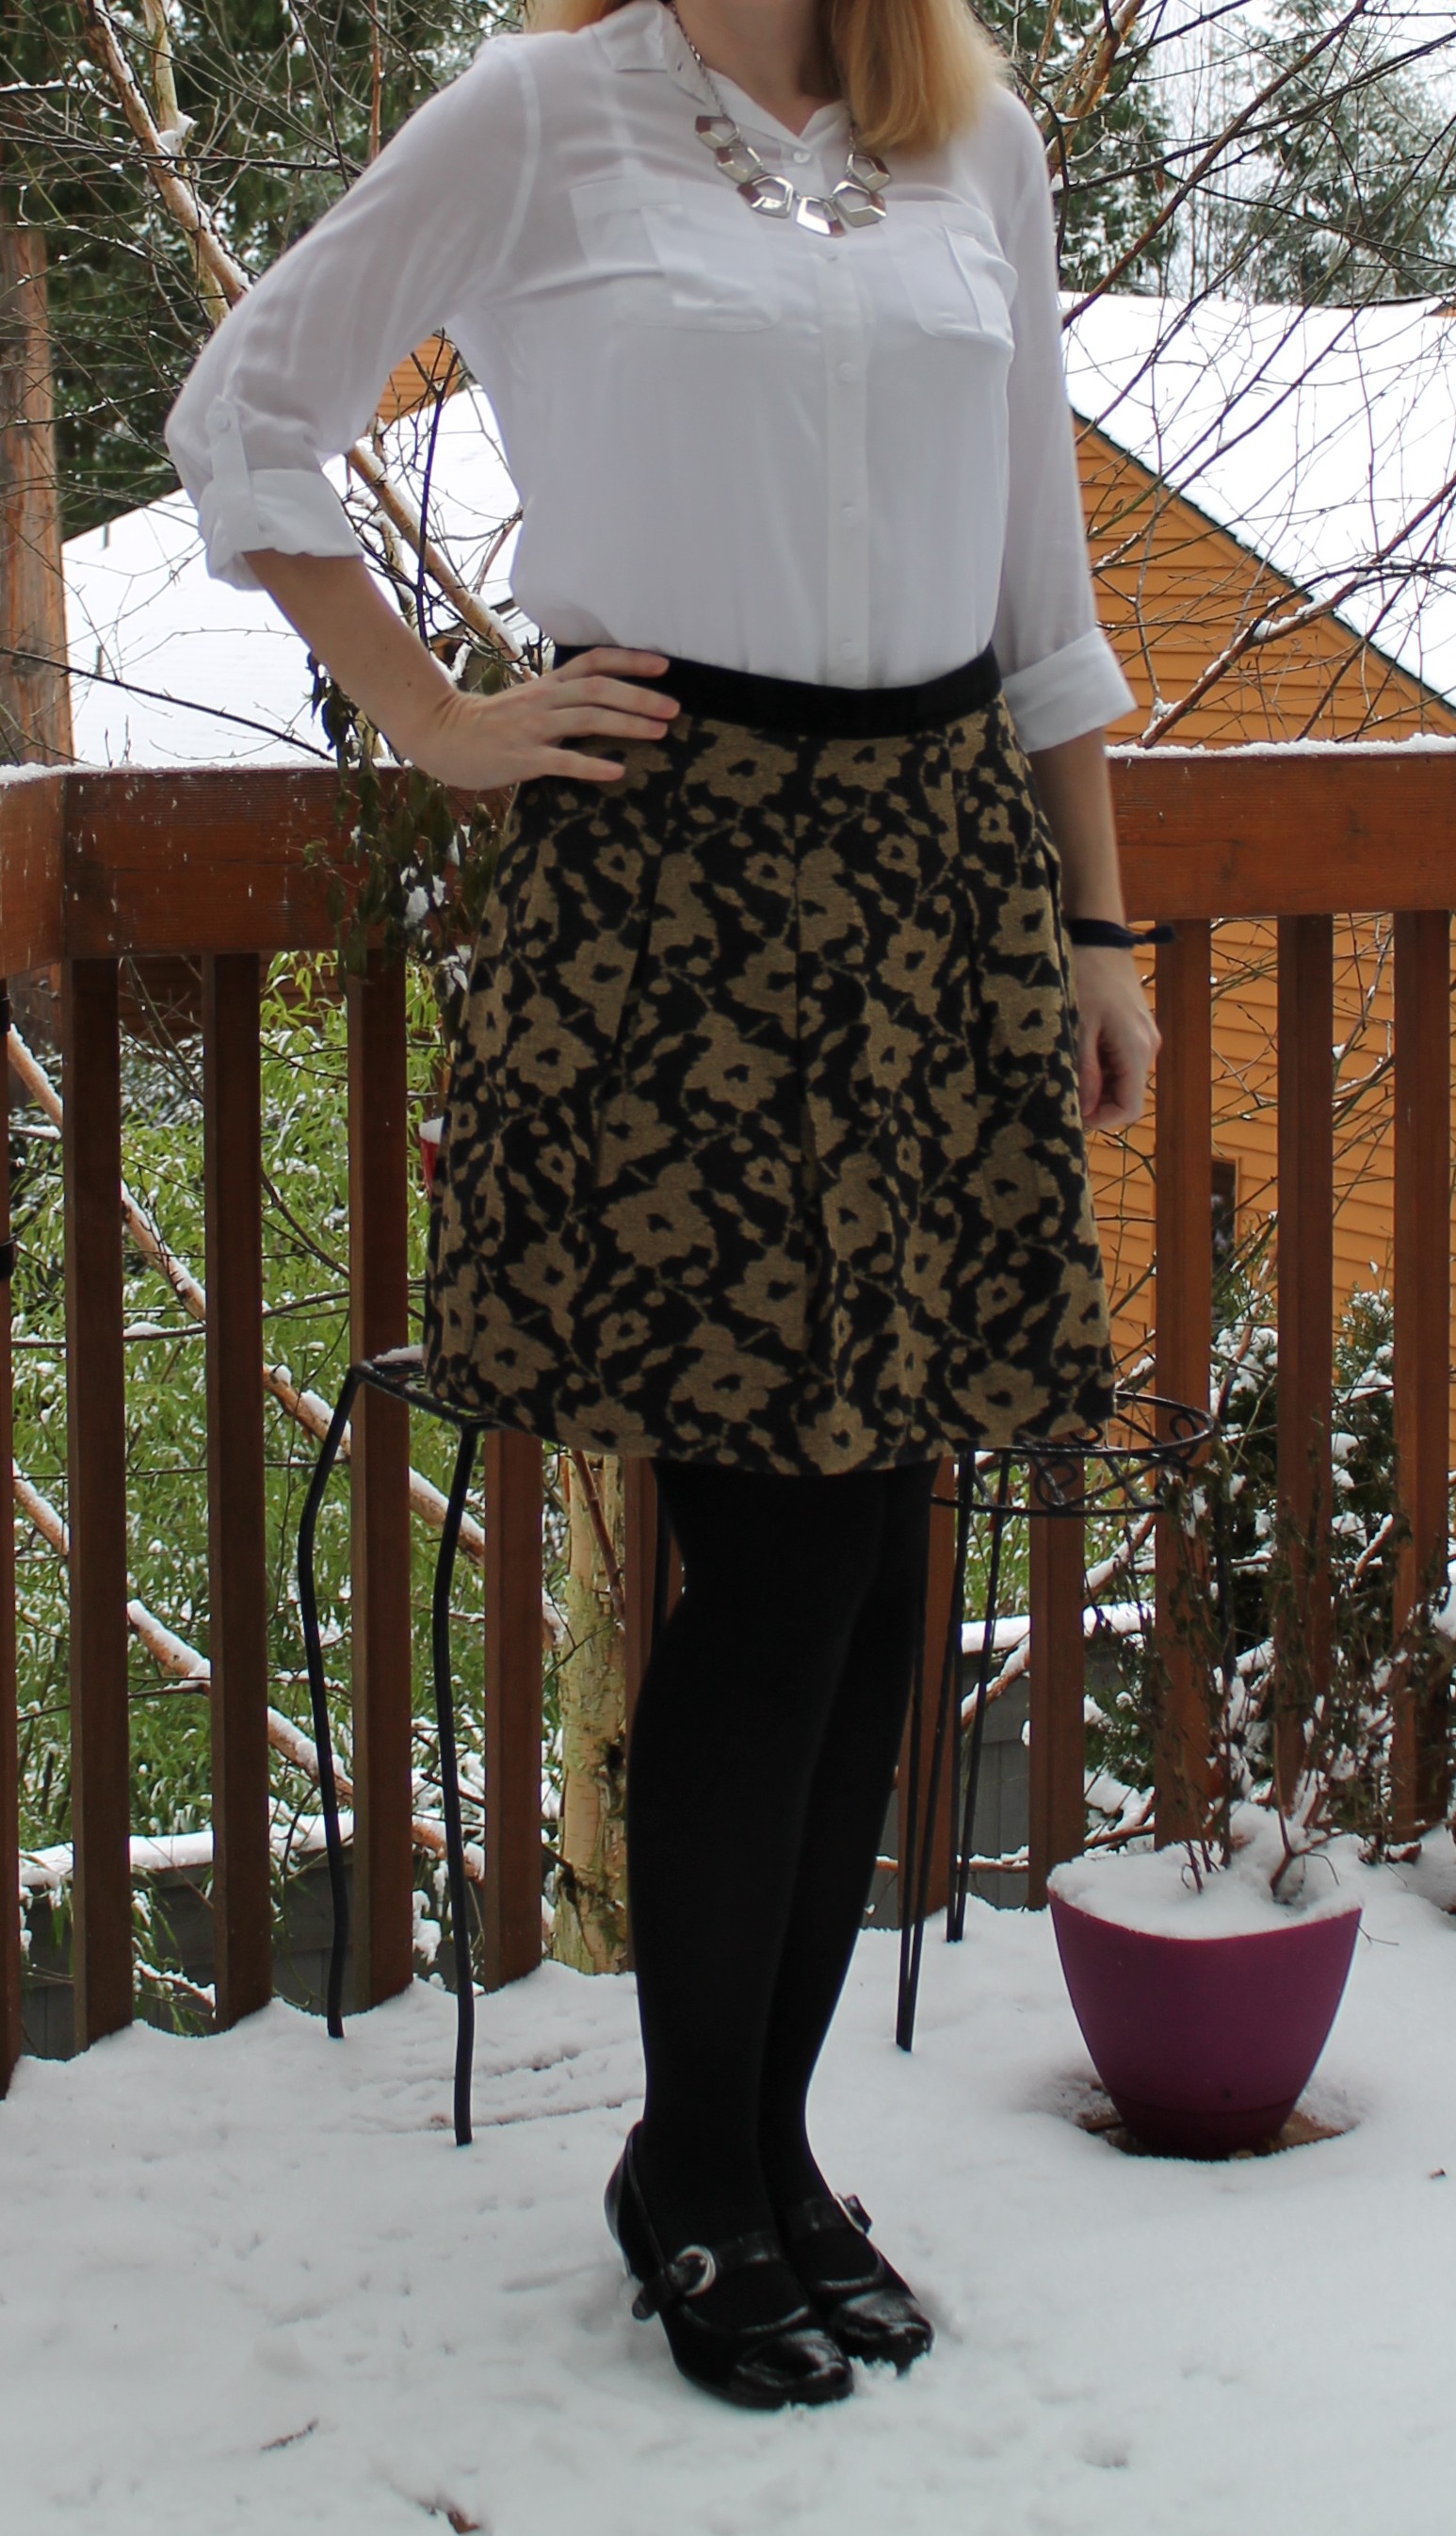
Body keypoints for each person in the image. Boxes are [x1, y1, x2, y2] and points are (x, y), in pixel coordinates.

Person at [167, 0, 1157, 2414]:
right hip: (677, 896)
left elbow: (1037, 577)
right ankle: (694, 2169)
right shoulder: (542, 113)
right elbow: (245, 414)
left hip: (937, 885)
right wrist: (436, 714)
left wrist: (1097, 924)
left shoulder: (966, 135)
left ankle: (764, 2155)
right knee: (782, 1554)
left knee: (878, 1552)